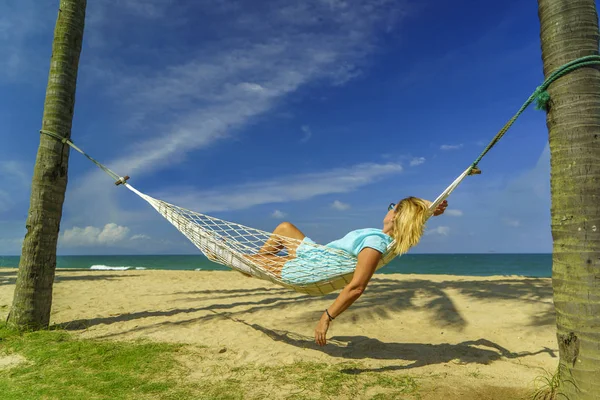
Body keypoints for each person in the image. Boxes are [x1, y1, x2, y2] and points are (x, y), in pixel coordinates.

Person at [250, 197, 448, 346]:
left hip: (310, 269)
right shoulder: (382, 237)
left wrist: (326, 317)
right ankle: (251, 265)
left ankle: (240, 262)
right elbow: (411, 218)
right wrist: (430, 209)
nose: (388, 210)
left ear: (396, 216)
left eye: (392, 207)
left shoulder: (376, 243)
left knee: (252, 261)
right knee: (284, 228)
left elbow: (357, 287)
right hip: (316, 254)